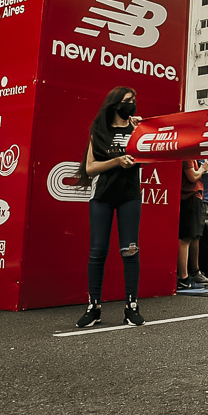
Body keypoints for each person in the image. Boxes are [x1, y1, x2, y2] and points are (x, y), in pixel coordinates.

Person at [74, 87, 146, 327]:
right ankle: (93, 307)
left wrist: (141, 131)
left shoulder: (137, 129)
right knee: (97, 252)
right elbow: (90, 168)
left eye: (134, 101)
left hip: (130, 196)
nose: (132, 105)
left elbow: (150, 154)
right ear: (115, 104)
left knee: (130, 251)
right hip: (102, 196)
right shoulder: (99, 130)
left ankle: (131, 306)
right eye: (128, 101)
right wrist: (116, 161)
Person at [178, 159, 208, 288]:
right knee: (185, 238)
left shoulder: (190, 157)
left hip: (193, 196)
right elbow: (192, 176)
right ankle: (184, 277)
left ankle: (188, 274)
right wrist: (203, 168)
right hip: (189, 196)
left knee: (190, 237)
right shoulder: (187, 157)